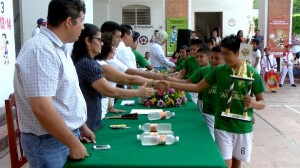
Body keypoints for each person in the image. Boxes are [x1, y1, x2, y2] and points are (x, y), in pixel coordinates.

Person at [160, 35, 265, 168]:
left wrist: (254, 104)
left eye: (227, 54)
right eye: (223, 53)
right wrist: (170, 84)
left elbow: (262, 102)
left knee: (237, 163)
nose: (224, 57)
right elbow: (196, 87)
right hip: (222, 124)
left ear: (238, 53)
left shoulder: (252, 74)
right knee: (224, 164)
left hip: (242, 127)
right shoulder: (219, 71)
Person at [14, 1, 95, 167]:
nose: (82, 27)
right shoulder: (40, 50)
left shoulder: (59, 48)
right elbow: (42, 108)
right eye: (81, 21)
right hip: (48, 142)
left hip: (61, 136)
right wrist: (73, 143)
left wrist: (80, 126)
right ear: (68, 22)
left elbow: (65, 95)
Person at [72, 23, 155, 131]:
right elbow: (110, 90)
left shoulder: (87, 61)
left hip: (90, 121)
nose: (102, 44)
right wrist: (138, 92)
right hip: (89, 122)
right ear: (88, 41)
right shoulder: (87, 64)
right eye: (99, 40)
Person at [95, 32, 157, 116]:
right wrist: (152, 83)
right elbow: (129, 79)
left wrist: (110, 107)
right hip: (99, 111)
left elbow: (107, 87)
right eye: (112, 46)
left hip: (103, 109)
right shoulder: (101, 64)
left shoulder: (103, 62)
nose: (115, 49)